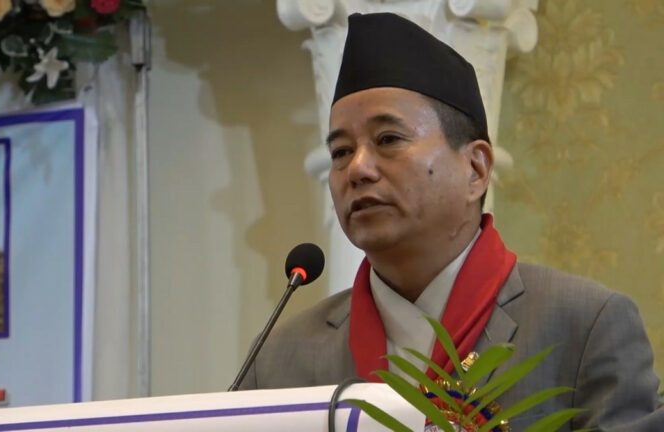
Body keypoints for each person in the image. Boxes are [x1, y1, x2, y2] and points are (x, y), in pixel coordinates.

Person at [238, 12, 664, 431]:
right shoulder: (279, 358)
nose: (358, 168)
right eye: (341, 152)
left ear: (475, 169)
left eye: (388, 139)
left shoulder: (584, 327)